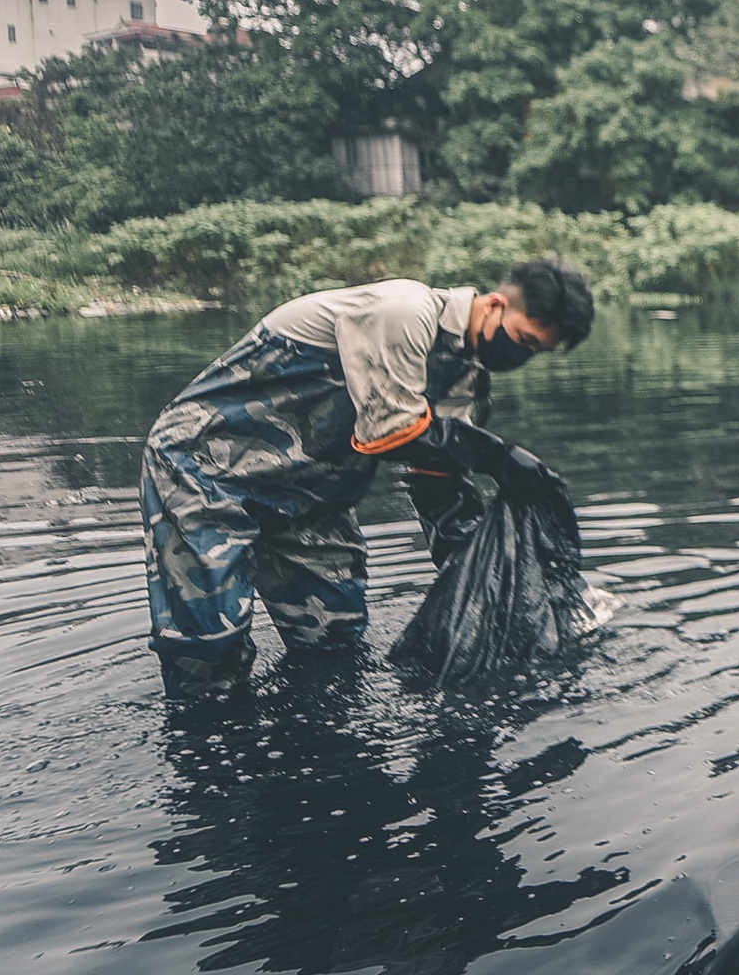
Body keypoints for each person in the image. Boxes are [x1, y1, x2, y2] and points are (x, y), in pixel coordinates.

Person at [141, 260, 594, 698]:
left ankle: (315, 755)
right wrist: (499, 457)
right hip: (206, 471)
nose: (521, 355)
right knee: (208, 650)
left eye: (536, 352)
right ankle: (211, 753)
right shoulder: (403, 310)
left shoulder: (463, 375)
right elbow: (391, 432)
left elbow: (437, 475)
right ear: (496, 305)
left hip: (309, 495)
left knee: (333, 639)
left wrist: (481, 576)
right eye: (523, 339)